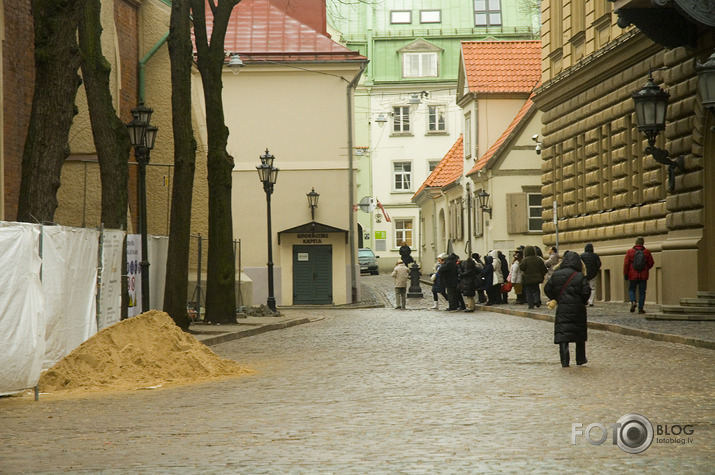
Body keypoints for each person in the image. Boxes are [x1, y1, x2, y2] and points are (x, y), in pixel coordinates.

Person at [545, 251, 591, 367]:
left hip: (563, 308)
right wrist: (583, 301)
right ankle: (580, 358)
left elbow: (547, 288)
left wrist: (555, 298)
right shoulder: (579, 276)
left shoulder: (557, 275)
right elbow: (586, 291)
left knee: (563, 335)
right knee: (579, 334)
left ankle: (565, 360)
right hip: (578, 309)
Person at [623, 237, 655, 314]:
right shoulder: (647, 252)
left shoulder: (630, 252)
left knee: (631, 289)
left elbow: (626, 264)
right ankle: (640, 308)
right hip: (643, 275)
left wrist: (625, 274)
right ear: (643, 243)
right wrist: (646, 268)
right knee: (642, 292)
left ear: (636, 243)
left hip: (632, 274)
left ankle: (633, 301)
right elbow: (651, 263)